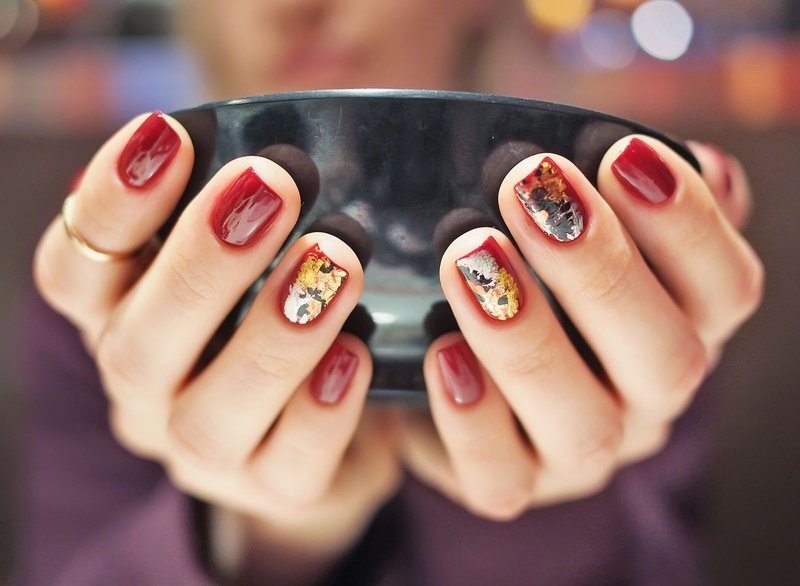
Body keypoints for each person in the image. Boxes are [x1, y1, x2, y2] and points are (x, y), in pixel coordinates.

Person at [18, 0, 763, 584]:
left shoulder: (612, 274)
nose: (298, 4)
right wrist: (267, 541)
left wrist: (534, 509)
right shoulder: (125, 289)